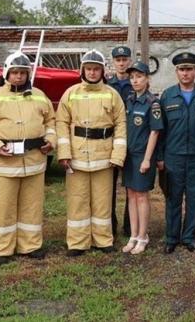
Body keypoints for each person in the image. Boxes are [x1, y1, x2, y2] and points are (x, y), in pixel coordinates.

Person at [0, 51, 56, 266]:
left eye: (23, 72)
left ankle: (30, 245)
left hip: (34, 161)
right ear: (6, 73)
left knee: (32, 206)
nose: (19, 76)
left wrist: (50, 139)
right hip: (5, 163)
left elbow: (51, 122)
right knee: (2, 207)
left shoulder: (39, 95)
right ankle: (1, 249)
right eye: (15, 72)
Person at [56, 49, 127, 257]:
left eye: (96, 69)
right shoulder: (71, 93)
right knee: (77, 200)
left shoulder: (112, 94)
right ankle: (78, 242)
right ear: (82, 70)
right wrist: (64, 153)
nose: (93, 73)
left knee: (103, 201)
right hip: (77, 156)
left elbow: (121, 125)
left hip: (103, 156)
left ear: (102, 71)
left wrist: (117, 155)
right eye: (89, 69)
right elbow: (61, 123)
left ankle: (103, 240)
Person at [158, 52, 195, 253]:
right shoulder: (167, 95)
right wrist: (160, 157)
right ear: (176, 72)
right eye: (182, 69)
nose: (185, 73)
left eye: (189, 69)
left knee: (194, 197)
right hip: (173, 155)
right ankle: (171, 238)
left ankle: (189, 237)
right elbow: (160, 130)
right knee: (173, 197)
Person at [121, 61, 163, 254]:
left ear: (147, 78)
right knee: (130, 195)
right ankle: (133, 235)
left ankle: (143, 236)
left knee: (141, 196)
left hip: (142, 156)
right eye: (132, 77)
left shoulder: (152, 103)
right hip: (128, 156)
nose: (135, 80)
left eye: (139, 76)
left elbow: (155, 132)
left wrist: (147, 159)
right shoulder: (129, 99)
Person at [107, 46, 133, 238]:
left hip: (132, 140)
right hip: (111, 141)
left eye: (125, 59)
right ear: (113, 62)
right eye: (118, 59)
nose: (122, 63)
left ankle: (130, 226)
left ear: (129, 61)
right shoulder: (107, 83)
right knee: (109, 186)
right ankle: (109, 224)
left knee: (131, 186)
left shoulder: (136, 82)